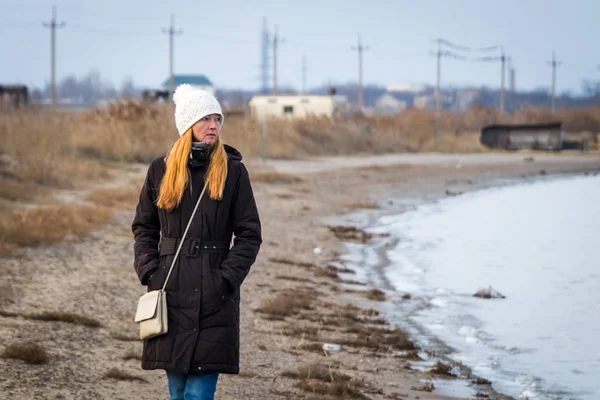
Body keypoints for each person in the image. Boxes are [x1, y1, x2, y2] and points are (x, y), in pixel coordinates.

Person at [132, 84, 262, 400]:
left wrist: (226, 279)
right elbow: (144, 228)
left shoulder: (233, 172)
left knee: (198, 395)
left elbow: (249, 235)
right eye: (205, 119)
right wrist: (151, 271)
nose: (214, 126)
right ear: (188, 124)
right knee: (177, 393)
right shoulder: (160, 170)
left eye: (217, 119)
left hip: (215, 297)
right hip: (170, 289)